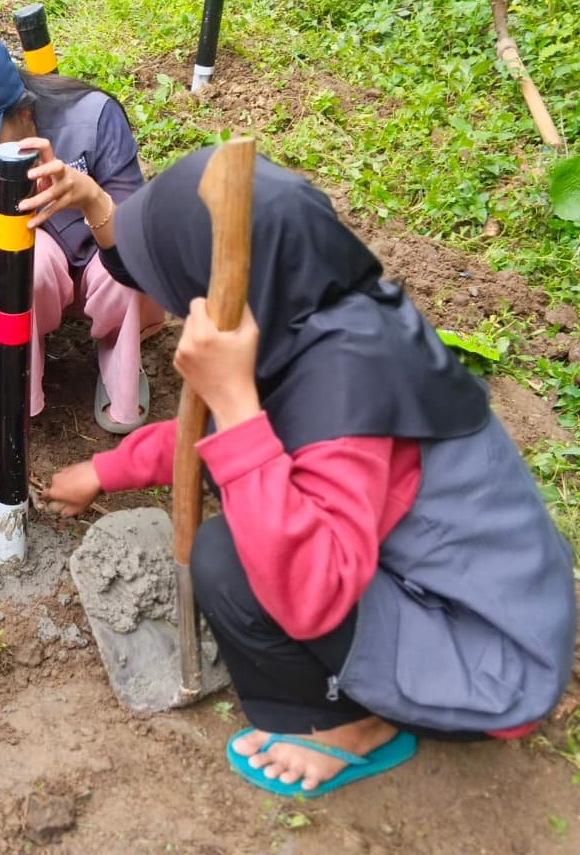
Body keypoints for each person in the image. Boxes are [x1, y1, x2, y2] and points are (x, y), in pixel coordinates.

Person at [41, 149, 577, 797]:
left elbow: (312, 586)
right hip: (461, 593)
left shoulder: (348, 397)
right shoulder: (313, 316)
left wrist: (236, 404)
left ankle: (348, 727)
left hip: (492, 669)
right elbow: (199, 430)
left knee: (229, 561)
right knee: (246, 505)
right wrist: (105, 469)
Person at [0, 28, 164, 548]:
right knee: (24, 255)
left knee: (120, 268)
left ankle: (119, 348)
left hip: (112, 277)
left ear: (24, 112)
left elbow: (145, 263)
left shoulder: (91, 120)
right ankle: (14, 354)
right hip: (33, 293)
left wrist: (90, 199)